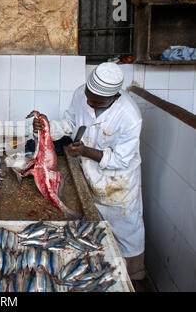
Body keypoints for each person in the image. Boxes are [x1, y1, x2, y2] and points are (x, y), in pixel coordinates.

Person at [33, 62, 146, 286]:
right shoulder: (81, 94)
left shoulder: (130, 116)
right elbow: (71, 122)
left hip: (118, 186)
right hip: (89, 175)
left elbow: (121, 159)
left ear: (113, 98)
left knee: (125, 241)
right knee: (92, 240)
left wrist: (84, 151)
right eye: (87, 94)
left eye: (95, 101)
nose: (88, 101)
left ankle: (130, 283)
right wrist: (47, 126)